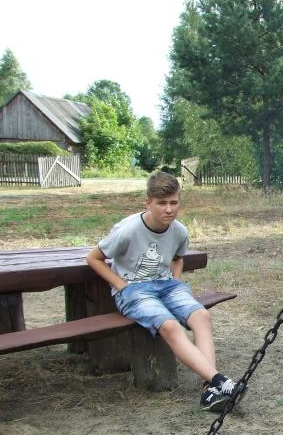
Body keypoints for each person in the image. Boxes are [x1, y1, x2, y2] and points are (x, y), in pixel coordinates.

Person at [87, 171, 237, 412]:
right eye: (162, 203)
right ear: (148, 203)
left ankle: (208, 391)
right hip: (134, 290)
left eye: (174, 203)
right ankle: (220, 381)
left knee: (202, 317)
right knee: (170, 326)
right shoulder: (128, 230)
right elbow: (94, 258)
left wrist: (176, 281)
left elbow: (178, 258)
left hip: (166, 285)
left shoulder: (179, 231)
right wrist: (121, 285)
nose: (168, 209)